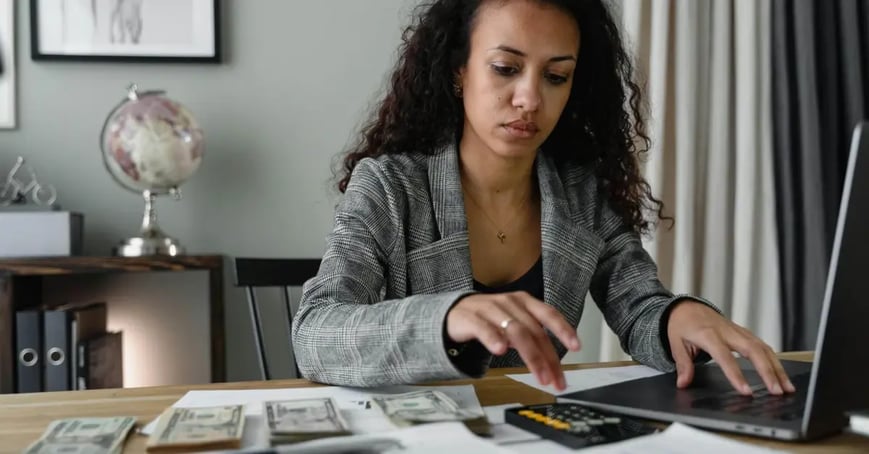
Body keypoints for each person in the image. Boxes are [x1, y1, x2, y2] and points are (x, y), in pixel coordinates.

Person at [291, 0, 794, 397]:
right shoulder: (389, 186)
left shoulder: (580, 195)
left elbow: (638, 306)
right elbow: (315, 332)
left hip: (536, 433)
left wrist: (676, 318)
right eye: (506, 68)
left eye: (556, 76)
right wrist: (446, 317)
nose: (530, 98)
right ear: (458, 70)